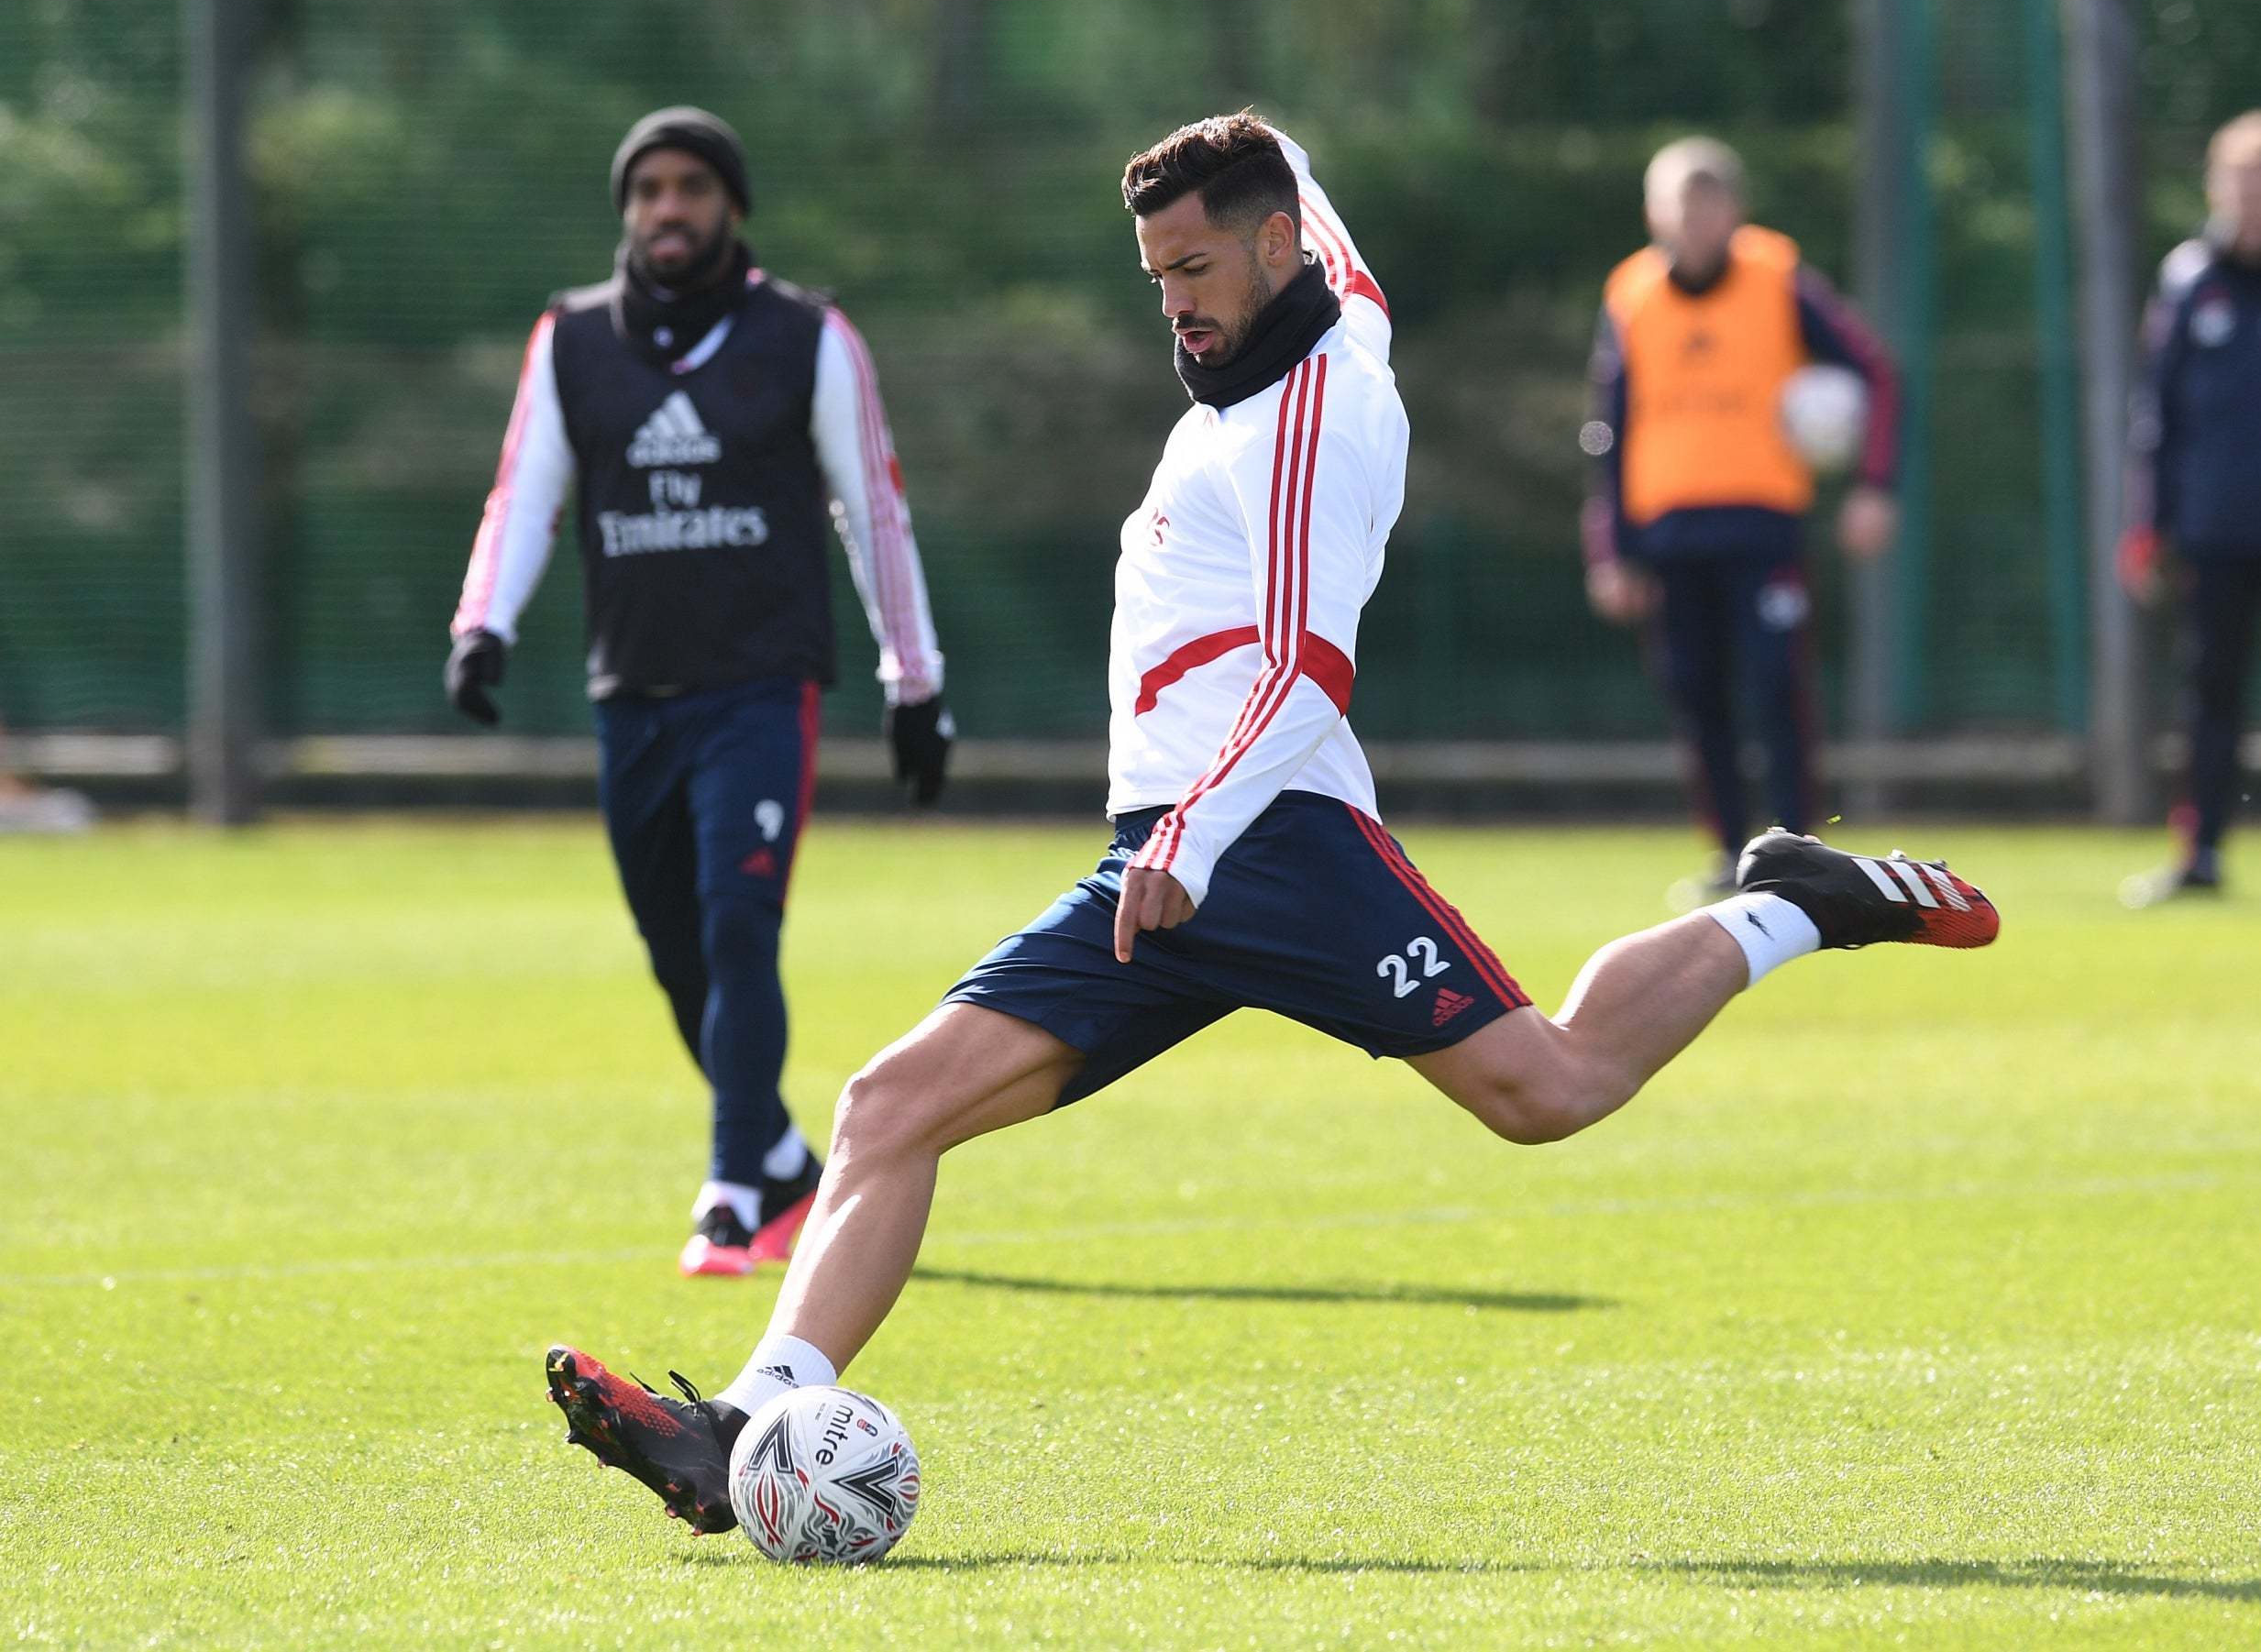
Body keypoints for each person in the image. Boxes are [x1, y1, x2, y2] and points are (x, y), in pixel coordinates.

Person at [539, 115, 1997, 1536]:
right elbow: (1285, 167)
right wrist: (1237, 146)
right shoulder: (1315, 297)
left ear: (1278, 249)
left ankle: (1792, 900)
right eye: (1154, 275)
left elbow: (1307, 664)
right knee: (886, 1108)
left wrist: (1190, 837)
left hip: (1270, 841)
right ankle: (738, 1427)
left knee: (1547, 1090)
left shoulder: (1313, 415)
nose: (1173, 306)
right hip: (1163, 856)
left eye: (1194, 271)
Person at [447, 107, 953, 1276]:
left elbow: (872, 507)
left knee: (737, 924)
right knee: (680, 953)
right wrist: (485, 625)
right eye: (646, 191)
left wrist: (913, 682)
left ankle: (731, 1190)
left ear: (731, 204)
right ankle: (778, 1153)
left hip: (761, 690)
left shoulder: (808, 337)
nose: (665, 209)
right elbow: (525, 493)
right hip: (633, 693)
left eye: (689, 187)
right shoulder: (571, 341)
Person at [1581, 137, 1901, 903]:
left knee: (1776, 684)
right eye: (1677, 206)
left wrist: (1874, 484)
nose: (1692, 221)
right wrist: (1610, 549)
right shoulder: (1631, 295)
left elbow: (1878, 374)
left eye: (1706, 203)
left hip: (1762, 530)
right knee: (1696, 694)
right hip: (1670, 537)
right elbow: (1608, 428)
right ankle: (1730, 850)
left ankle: (1799, 848)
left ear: (1734, 209)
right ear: (1654, 213)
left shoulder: (1781, 280)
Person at [2118, 111, 2261, 906]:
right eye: (2242, 179)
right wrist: (2149, 522)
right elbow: (2156, 414)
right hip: (2213, 530)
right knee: (2208, 695)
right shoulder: (2189, 278)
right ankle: (2199, 853)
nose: (2253, 197)